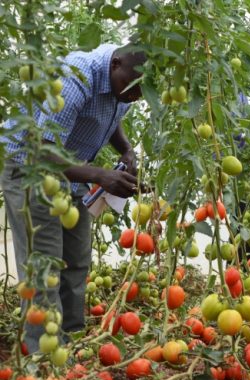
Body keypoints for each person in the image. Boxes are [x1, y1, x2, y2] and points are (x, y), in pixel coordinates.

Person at [1, 42, 146, 351]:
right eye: (132, 88)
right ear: (116, 64)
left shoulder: (124, 85)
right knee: (44, 264)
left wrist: (126, 149)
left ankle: (71, 343)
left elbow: (111, 115)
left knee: (76, 261)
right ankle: (43, 356)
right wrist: (100, 175)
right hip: (31, 168)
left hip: (70, 173)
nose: (135, 96)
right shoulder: (77, 76)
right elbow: (43, 151)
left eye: (140, 92)